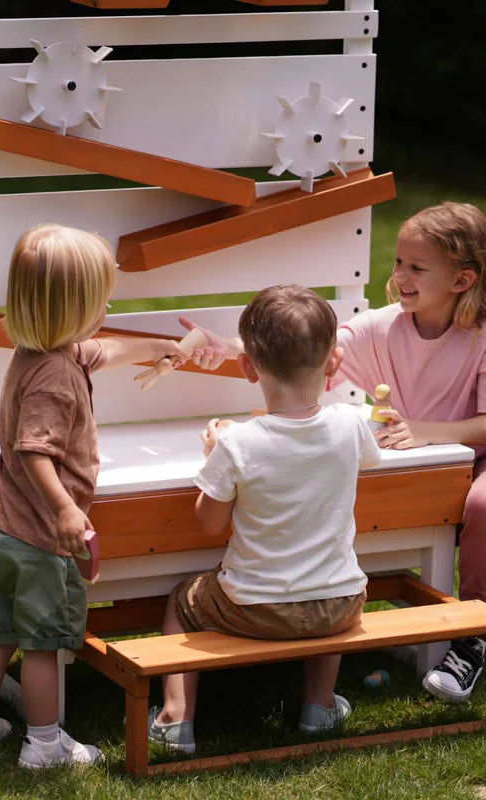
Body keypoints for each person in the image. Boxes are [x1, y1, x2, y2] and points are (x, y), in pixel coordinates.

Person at [182, 202, 486, 704]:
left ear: (462, 280)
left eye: (416, 267)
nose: (400, 276)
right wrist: (229, 346)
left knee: (483, 509)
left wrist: (426, 431)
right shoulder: (383, 326)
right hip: (420, 461)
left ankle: (473, 637)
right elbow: (299, 345)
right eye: (398, 263)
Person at [0, 223, 184, 769]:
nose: (106, 306)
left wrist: (161, 349)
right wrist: (65, 510)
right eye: (100, 298)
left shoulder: (41, 351)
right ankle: (45, 746)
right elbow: (35, 451)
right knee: (41, 646)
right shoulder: (56, 374)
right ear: (76, 307)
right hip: (37, 540)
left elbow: (103, 350)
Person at [147, 285, 381, 755]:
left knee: (181, 600)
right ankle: (318, 706)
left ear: (247, 367)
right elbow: (366, 458)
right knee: (327, 583)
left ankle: (175, 717)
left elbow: (210, 525)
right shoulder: (353, 424)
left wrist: (214, 456)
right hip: (340, 605)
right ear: (332, 363)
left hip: (253, 608)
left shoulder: (238, 444)